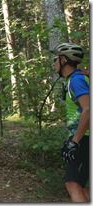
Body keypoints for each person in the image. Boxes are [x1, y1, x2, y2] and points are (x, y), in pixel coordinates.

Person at [51, 43, 89, 202]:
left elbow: (88, 109)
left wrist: (75, 141)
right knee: (82, 188)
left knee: (72, 184)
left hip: (85, 138)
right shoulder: (78, 78)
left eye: (55, 59)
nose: (54, 63)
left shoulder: (76, 81)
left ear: (64, 60)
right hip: (84, 137)